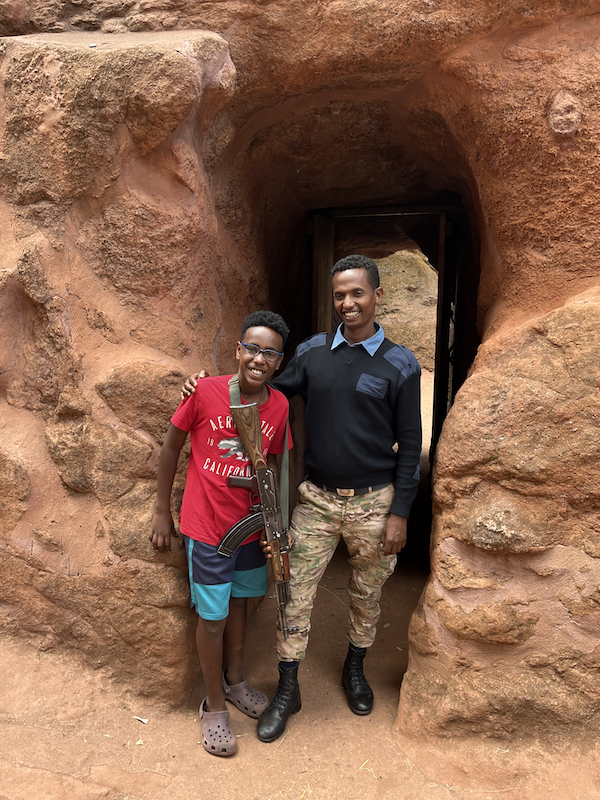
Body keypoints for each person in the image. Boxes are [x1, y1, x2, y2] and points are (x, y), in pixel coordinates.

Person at [182, 255, 421, 743]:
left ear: (377, 295)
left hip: (376, 501)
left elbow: (412, 444)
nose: (347, 303)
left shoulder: (401, 364)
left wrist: (400, 512)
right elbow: (262, 385)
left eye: (357, 293)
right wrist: (203, 384)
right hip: (317, 498)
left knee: (367, 594)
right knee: (292, 593)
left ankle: (355, 668)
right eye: (339, 294)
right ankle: (288, 689)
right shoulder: (312, 352)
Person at [151, 310, 292, 757]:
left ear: (279, 362)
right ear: (238, 349)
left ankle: (234, 680)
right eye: (251, 347)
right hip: (208, 528)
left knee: (242, 605)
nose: (258, 358)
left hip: (250, 529)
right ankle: (213, 706)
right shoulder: (207, 392)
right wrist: (161, 512)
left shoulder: (281, 406)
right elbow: (172, 446)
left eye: (269, 352)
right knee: (211, 618)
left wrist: (275, 523)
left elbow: (274, 466)